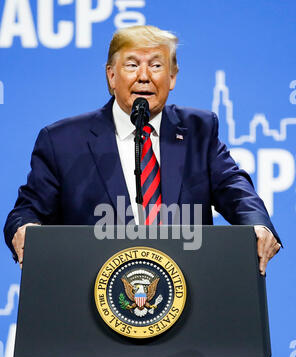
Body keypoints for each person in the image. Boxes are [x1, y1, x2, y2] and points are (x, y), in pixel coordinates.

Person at [4, 25, 281, 274]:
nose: (144, 76)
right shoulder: (62, 141)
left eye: (157, 66)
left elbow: (235, 188)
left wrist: (258, 224)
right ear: (111, 76)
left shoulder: (199, 130)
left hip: (189, 294)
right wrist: (25, 229)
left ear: (172, 77)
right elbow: (27, 211)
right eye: (132, 65)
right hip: (91, 297)